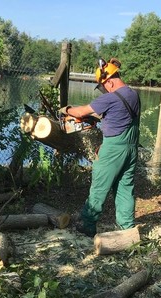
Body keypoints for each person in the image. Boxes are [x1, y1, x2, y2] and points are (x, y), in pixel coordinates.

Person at [59, 58, 141, 237]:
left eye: (103, 86)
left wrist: (67, 109)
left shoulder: (110, 98)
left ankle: (88, 224)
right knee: (125, 187)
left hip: (113, 150)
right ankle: (127, 229)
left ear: (109, 81)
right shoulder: (133, 94)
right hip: (131, 148)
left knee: (99, 186)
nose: (104, 90)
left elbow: (80, 112)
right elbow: (118, 119)